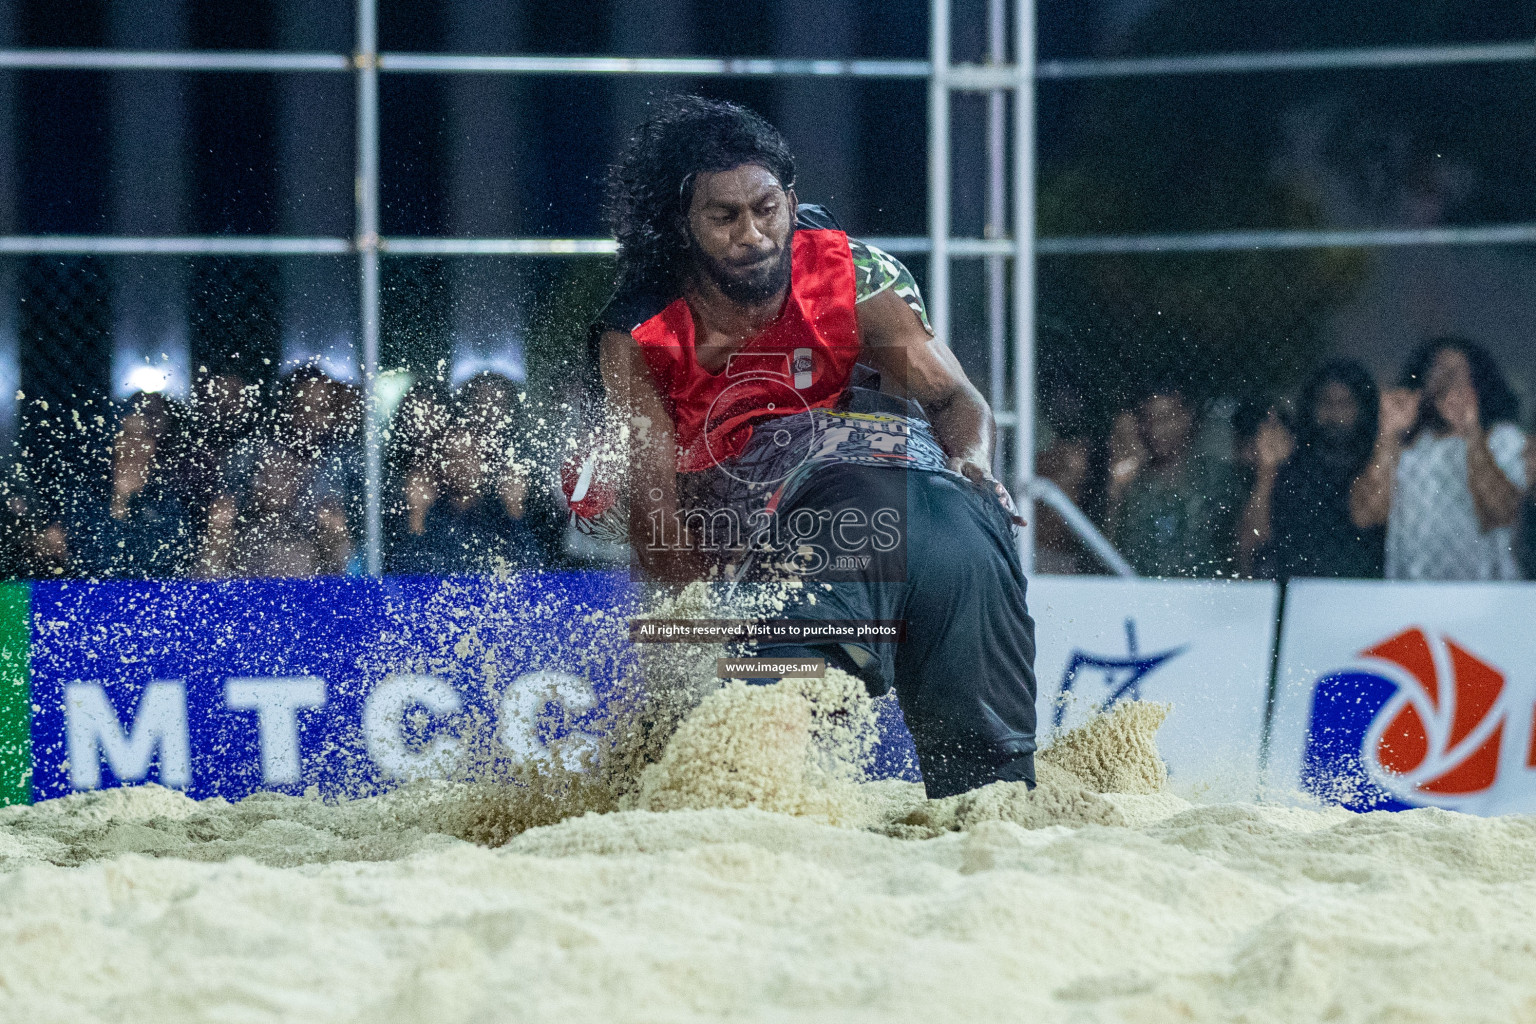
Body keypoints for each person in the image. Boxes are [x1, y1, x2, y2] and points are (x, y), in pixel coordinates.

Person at [582, 95, 1036, 798]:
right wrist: (689, 635)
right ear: (683, 225)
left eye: (767, 208)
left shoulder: (850, 274)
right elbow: (653, 515)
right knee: (748, 763)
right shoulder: (641, 331)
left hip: (900, 520)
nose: (753, 233)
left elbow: (955, 401)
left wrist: (974, 467)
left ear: (792, 200)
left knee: (981, 790)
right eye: (725, 216)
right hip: (795, 537)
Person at [1351, 337, 1526, 581]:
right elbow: (1365, 516)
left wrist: (1472, 434)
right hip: (1413, 598)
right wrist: (1386, 435)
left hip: (1486, 598)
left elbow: (1500, 514)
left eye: (1457, 371)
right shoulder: (1404, 445)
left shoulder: (1504, 438)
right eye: (1437, 370)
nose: (1446, 380)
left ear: (1478, 382)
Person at [1243, 361, 1384, 579]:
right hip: (1297, 595)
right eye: (1325, 402)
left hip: (1363, 596)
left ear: (1363, 410)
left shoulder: (1376, 463)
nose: (1334, 412)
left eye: (1345, 403)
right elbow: (1248, 549)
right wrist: (1266, 471)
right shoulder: (1289, 466)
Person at [1105, 384, 1244, 577]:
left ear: (1187, 417)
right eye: (1148, 419)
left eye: (1165, 418)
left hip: (1201, 597)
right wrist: (1115, 495)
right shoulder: (1131, 483)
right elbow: (1105, 557)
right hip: (1141, 597)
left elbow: (1244, 545)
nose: (1155, 429)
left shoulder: (1217, 477)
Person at [393, 422, 545, 576]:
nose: (462, 464)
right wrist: (417, 515)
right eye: (453, 456)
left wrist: (515, 508)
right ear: (441, 464)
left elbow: (532, 564)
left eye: (470, 454)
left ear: (484, 460)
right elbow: (408, 570)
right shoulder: (432, 514)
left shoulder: (498, 512)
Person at [70, 409, 193, 578]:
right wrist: (119, 501)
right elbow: (87, 559)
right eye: (127, 435)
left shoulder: (166, 500)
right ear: (114, 443)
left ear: (152, 445)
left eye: (141, 437)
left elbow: (165, 562)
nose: (134, 446)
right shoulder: (89, 495)